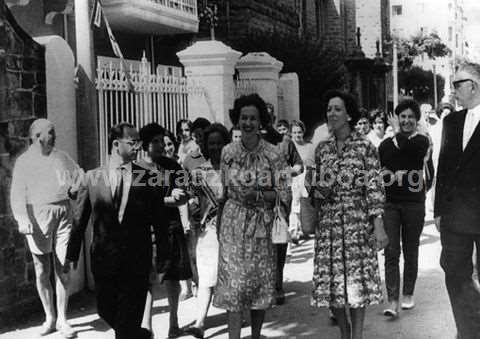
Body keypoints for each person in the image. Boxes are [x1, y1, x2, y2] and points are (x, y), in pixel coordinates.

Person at [65, 123, 174, 339]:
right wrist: (71, 254)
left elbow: (159, 220)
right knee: (106, 311)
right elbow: (79, 218)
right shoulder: (92, 177)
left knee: (127, 322)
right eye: (133, 142)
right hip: (104, 260)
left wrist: (163, 256)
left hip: (136, 261)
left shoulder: (149, 177)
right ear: (116, 144)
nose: (138, 147)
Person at [308, 90, 388, 339]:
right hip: (329, 222)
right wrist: (316, 189)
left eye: (337, 109)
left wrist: (378, 224)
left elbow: (374, 186)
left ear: (349, 115)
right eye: (329, 109)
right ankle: (344, 332)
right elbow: (314, 187)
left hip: (357, 219)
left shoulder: (365, 147)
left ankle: (357, 335)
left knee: (357, 282)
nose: (331, 113)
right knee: (332, 282)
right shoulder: (322, 149)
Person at [214, 94, 291, 339]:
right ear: (237, 120)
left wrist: (258, 195)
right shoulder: (227, 152)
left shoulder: (274, 154)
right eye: (243, 118)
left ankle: (255, 335)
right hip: (232, 224)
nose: (247, 123)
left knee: (258, 284)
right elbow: (223, 192)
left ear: (261, 122)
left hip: (262, 224)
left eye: (253, 118)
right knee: (233, 285)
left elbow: (284, 192)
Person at [10, 119, 79, 338]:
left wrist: (74, 188)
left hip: (62, 213)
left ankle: (63, 319)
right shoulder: (24, 162)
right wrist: (22, 219)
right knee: (42, 270)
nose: (54, 136)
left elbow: (78, 174)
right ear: (37, 137)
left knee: (62, 267)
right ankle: (49, 316)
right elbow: (17, 194)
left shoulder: (61, 157)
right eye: (50, 133)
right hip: (37, 216)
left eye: (54, 132)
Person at [434, 62, 480, 338]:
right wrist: (438, 210)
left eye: (456, 85)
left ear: (472, 86)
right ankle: (468, 330)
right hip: (454, 218)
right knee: (454, 272)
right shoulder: (451, 122)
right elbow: (444, 168)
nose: (452, 92)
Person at [379, 100, 432, 317]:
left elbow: (415, 156)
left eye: (411, 117)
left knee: (411, 250)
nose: (406, 121)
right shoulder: (385, 145)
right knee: (391, 251)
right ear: (397, 118)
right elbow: (379, 170)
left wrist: (395, 132)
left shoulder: (422, 141)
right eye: (402, 117)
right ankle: (392, 300)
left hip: (413, 203)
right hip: (390, 202)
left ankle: (408, 294)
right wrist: (389, 176)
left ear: (416, 119)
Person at [138, 123, 191, 339]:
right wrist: (169, 199)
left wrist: (182, 197)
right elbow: (141, 203)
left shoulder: (173, 166)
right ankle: (147, 327)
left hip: (171, 227)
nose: (160, 145)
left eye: (162, 140)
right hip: (147, 229)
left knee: (173, 276)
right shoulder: (138, 169)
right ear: (145, 145)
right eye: (155, 141)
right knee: (149, 278)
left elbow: (187, 194)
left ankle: (174, 323)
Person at [184, 123, 231, 339]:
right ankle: (200, 322)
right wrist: (192, 206)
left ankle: (235, 320)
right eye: (211, 143)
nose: (215, 147)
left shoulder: (234, 170)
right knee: (205, 276)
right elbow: (191, 198)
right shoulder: (199, 172)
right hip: (208, 229)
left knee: (231, 275)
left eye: (219, 143)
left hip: (232, 228)